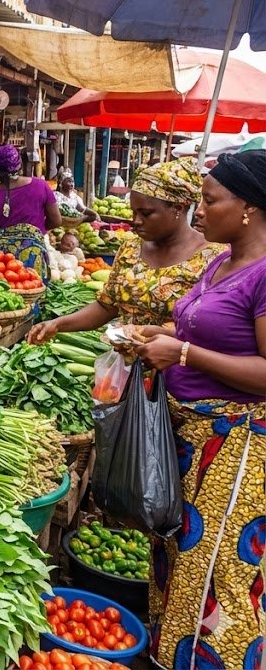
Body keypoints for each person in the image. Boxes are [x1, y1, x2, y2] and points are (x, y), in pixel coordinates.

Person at [134, 150, 266, 670]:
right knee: (177, 555)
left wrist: (184, 354)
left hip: (235, 448)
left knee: (216, 574)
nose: (201, 211)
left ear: (249, 207)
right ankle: (171, 658)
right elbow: (203, 329)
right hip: (188, 436)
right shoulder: (221, 260)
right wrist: (162, 335)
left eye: (210, 201)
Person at [29, 158, 223, 342]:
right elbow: (107, 306)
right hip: (125, 367)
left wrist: (165, 336)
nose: (136, 221)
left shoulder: (214, 259)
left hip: (177, 371)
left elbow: (215, 333)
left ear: (178, 208)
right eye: (133, 212)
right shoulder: (131, 249)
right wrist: (58, 323)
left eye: (146, 213)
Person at [0, 144, 61, 280]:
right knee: (34, 292)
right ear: (20, 164)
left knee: (6, 297)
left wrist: (2, 237)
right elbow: (56, 220)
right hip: (34, 255)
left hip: (2, 262)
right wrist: (34, 231)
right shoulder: (41, 186)